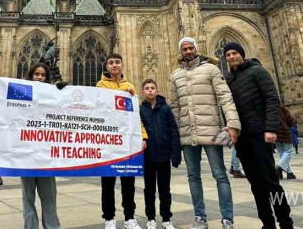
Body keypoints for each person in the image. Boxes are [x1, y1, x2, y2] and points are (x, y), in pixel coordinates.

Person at [170, 37, 240, 229]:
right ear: (181, 51)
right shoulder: (175, 75)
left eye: (191, 47)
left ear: (196, 49)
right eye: (184, 48)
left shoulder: (211, 69)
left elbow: (225, 97)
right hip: (187, 133)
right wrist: (174, 135)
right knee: (193, 177)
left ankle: (227, 219)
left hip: (211, 132)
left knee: (220, 175)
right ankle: (200, 218)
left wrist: (233, 123)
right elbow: (175, 107)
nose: (188, 51)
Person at [223, 42, 294, 229]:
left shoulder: (258, 72)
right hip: (242, 137)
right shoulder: (229, 78)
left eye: (234, 53)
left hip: (260, 134)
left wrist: (270, 129)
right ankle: (267, 223)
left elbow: (272, 99)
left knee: (271, 182)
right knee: (255, 183)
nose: (231, 57)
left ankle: (285, 222)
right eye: (227, 55)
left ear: (242, 54)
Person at [98, 53, 148, 229]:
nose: (114, 65)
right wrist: (123, 93)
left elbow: (135, 116)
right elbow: (101, 105)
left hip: (127, 141)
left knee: (128, 181)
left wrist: (142, 136)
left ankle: (129, 218)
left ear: (122, 65)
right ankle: (109, 218)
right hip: (108, 140)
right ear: (107, 66)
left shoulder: (130, 87)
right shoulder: (100, 85)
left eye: (117, 62)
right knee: (108, 182)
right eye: (111, 63)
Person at [20, 63, 63, 229]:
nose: (39, 77)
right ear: (31, 75)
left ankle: (52, 227)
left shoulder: (51, 96)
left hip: (46, 154)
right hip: (26, 154)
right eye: (36, 74)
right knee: (27, 198)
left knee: (49, 197)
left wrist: (62, 91)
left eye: (42, 75)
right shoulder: (22, 93)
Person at [140, 79, 181, 229]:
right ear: (143, 92)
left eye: (152, 88)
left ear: (157, 91)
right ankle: (151, 218)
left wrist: (176, 153)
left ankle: (166, 219)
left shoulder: (165, 109)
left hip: (164, 155)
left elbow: (173, 131)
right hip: (148, 155)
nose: (150, 90)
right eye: (147, 88)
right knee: (149, 189)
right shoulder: (141, 109)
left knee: (165, 189)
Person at [275, 107, 297, 180]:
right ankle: (279, 167)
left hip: (276, 133)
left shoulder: (269, 109)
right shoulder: (282, 109)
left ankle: (289, 173)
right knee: (288, 151)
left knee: (282, 153)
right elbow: (290, 120)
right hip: (284, 133)